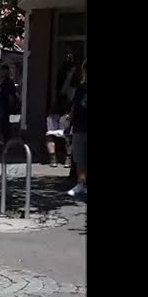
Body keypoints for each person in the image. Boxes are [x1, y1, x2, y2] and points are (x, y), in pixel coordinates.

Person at [65, 60, 87, 197]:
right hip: (80, 126)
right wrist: (70, 120)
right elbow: (74, 108)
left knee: (81, 157)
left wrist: (70, 119)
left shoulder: (81, 88)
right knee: (80, 157)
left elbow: (74, 108)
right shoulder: (81, 88)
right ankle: (81, 184)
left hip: (80, 126)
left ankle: (81, 185)